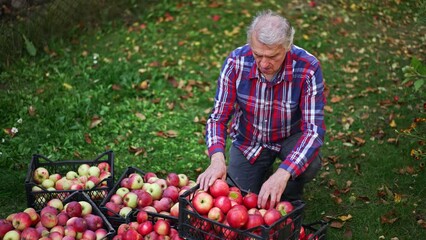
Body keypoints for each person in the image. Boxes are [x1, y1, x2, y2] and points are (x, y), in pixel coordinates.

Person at [196, 10, 326, 209]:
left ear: (287, 47)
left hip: (289, 136)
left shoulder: (308, 67)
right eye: (258, 55)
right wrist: (216, 158)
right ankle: (263, 172)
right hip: (250, 139)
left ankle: (289, 190)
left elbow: (313, 131)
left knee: (310, 166)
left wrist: (284, 173)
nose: (264, 64)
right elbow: (217, 118)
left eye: (272, 56)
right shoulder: (235, 62)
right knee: (238, 195)